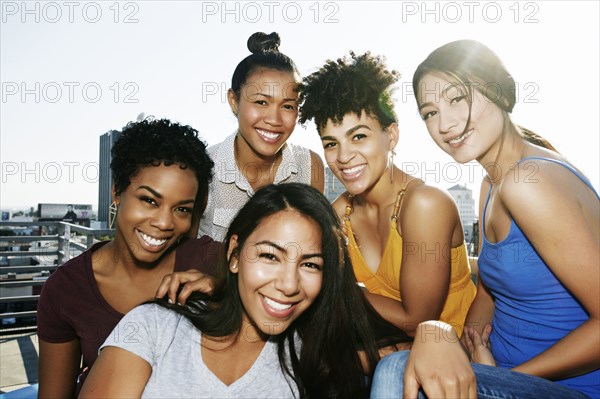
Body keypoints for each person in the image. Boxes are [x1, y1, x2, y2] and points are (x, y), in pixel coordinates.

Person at [385, 39, 598, 398]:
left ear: (498, 92)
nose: (446, 124)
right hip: (500, 369)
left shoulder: (527, 183)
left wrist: (501, 376)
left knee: (395, 371)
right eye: (430, 113)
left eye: (457, 98)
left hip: (566, 387)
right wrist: (469, 351)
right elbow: (488, 289)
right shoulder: (492, 182)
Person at [80, 183, 416, 398]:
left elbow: (406, 354)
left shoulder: (309, 352)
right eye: (270, 256)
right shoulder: (155, 327)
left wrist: (437, 333)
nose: (288, 284)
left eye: (310, 265)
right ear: (234, 255)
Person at [37, 118, 221, 399]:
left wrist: (226, 289)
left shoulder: (211, 261)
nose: (163, 223)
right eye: (149, 200)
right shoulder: (66, 289)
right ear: (116, 191)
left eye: (181, 209)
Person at [298, 52, 476, 337]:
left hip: (454, 361)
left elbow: (417, 321)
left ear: (391, 136)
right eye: (331, 143)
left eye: (359, 137)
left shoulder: (424, 205)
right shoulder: (338, 212)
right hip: (385, 350)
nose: (344, 156)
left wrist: (339, 290)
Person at [196, 31, 325, 242]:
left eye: (288, 106)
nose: (274, 119)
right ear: (234, 101)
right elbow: (184, 255)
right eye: (261, 102)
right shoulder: (203, 168)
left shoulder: (309, 167)